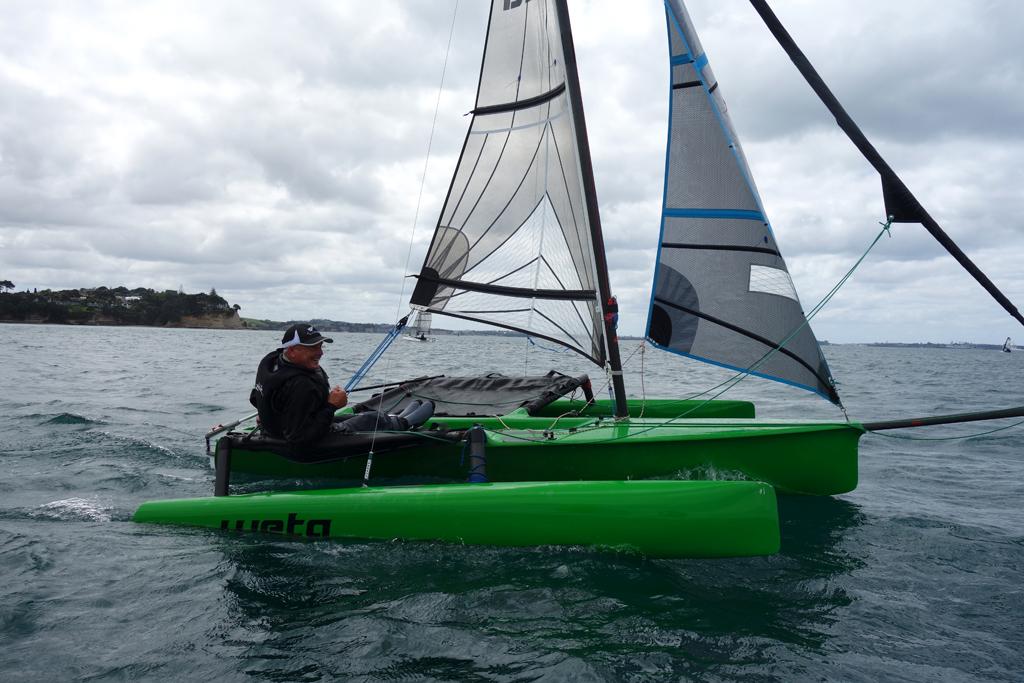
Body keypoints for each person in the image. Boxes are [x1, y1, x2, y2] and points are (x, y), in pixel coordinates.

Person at [250, 323, 433, 449]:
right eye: (313, 348)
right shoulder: (301, 384)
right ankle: (404, 423)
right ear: (291, 350)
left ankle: (393, 419)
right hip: (305, 440)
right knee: (370, 419)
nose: (320, 352)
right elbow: (300, 438)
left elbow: (256, 397)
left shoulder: (271, 362)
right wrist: (332, 405)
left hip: (279, 428)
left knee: (366, 416)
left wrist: (268, 414)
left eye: (321, 346)